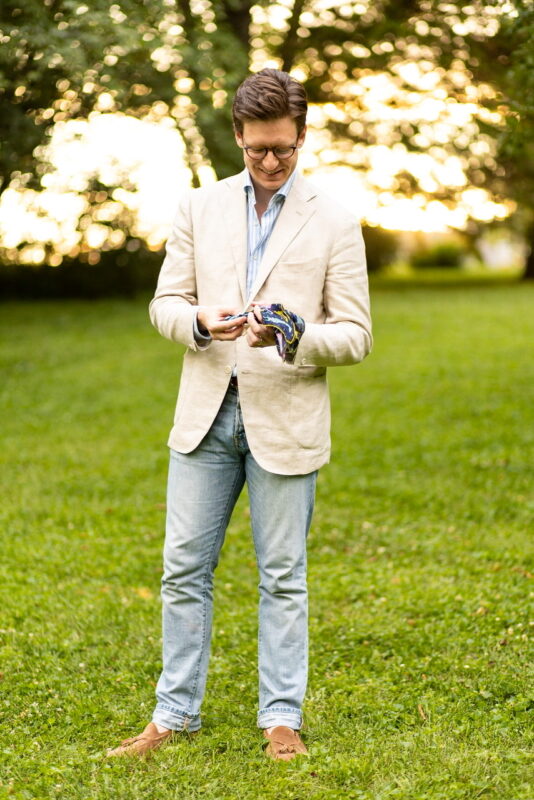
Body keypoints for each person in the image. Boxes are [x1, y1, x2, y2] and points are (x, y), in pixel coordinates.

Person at [107, 68, 372, 761]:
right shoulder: (198, 209)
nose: (271, 162)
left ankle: (281, 719)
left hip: (287, 421)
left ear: (302, 136)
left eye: (283, 148)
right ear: (237, 137)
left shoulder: (338, 220)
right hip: (205, 418)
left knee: (283, 575)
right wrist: (198, 319)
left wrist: (294, 335)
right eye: (258, 149)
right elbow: (164, 304)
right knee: (183, 569)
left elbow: (357, 334)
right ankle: (172, 716)